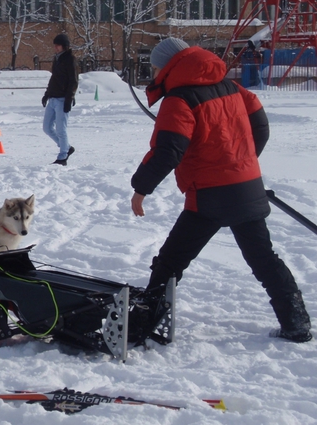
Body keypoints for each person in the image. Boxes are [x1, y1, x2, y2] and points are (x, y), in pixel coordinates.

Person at [130, 37, 311, 343]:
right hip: (245, 185)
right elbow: (261, 127)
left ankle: (143, 321)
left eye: (156, 65)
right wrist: (242, 163)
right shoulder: (232, 87)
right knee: (265, 259)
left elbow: (168, 150)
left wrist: (140, 188)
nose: (155, 70)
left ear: (168, 65)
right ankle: (296, 322)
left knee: (171, 260)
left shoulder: (179, 99)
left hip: (210, 194)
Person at [42, 33, 78, 165]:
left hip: (63, 99)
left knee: (61, 129)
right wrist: (47, 94)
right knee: (46, 128)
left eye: (58, 45)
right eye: (55, 45)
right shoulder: (57, 59)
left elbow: (73, 81)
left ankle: (63, 157)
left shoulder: (70, 59)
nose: (55, 48)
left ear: (65, 46)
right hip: (53, 98)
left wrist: (69, 98)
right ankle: (67, 147)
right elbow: (54, 79)